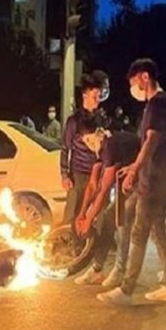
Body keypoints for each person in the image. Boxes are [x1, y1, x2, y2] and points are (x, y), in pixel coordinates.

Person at [97, 58, 166, 306]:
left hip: (153, 181)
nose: (133, 89)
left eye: (134, 82)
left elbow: (151, 141)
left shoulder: (157, 103)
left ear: (145, 77)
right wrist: (134, 167)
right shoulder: (162, 103)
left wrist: (135, 170)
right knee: (157, 232)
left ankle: (126, 289)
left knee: (138, 232)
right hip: (157, 178)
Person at [72, 125, 141, 288]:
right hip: (128, 180)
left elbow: (104, 189)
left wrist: (89, 220)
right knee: (110, 220)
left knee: (122, 220)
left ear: (98, 134)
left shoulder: (109, 146)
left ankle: (120, 271)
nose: (88, 143)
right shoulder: (99, 149)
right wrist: (82, 214)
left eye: (89, 138)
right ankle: (97, 269)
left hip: (146, 178)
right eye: (85, 141)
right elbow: (92, 185)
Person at [60, 73, 106, 225]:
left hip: (97, 174)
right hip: (78, 174)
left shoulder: (101, 120)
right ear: (85, 95)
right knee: (72, 214)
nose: (97, 100)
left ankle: (94, 240)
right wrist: (65, 175)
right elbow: (65, 148)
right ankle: (68, 239)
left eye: (99, 96)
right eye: (94, 96)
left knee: (96, 215)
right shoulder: (74, 121)